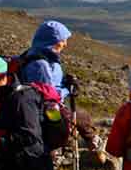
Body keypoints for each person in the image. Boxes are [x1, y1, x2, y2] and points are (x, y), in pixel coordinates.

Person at [20, 20, 100, 151]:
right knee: (79, 117)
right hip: (46, 111)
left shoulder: (39, 54)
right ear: (51, 40)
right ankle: (92, 145)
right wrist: (67, 89)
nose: (65, 44)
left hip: (46, 107)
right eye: (62, 40)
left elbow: (51, 83)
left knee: (80, 117)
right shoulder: (40, 65)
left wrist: (64, 82)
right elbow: (48, 95)